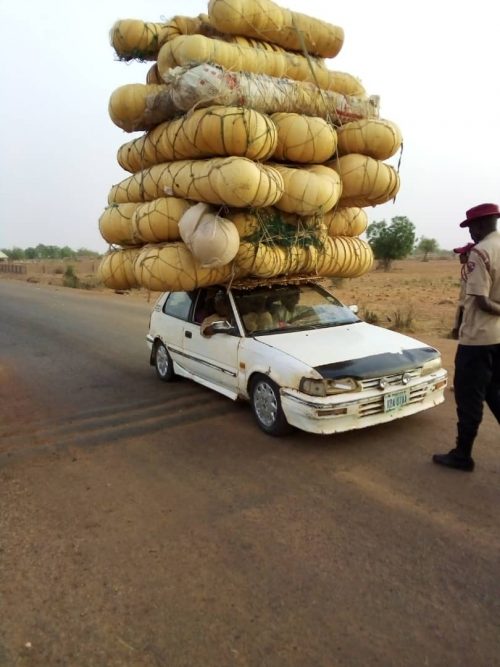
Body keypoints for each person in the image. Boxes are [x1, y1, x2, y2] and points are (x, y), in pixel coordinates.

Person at [433, 203, 500, 471]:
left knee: (469, 397)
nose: (470, 232)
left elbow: (481, 301)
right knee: (494, 392)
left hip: (478, 340)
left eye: (471, 226)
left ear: (482, 224)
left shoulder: (481, 253)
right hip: (498, 340)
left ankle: (462, 455)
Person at [450, 242, 475, 340]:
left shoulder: (475, 271)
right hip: (463, 306)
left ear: (470, 255)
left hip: (470, 308)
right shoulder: (466, 270)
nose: (460, 256)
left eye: (463, 254)